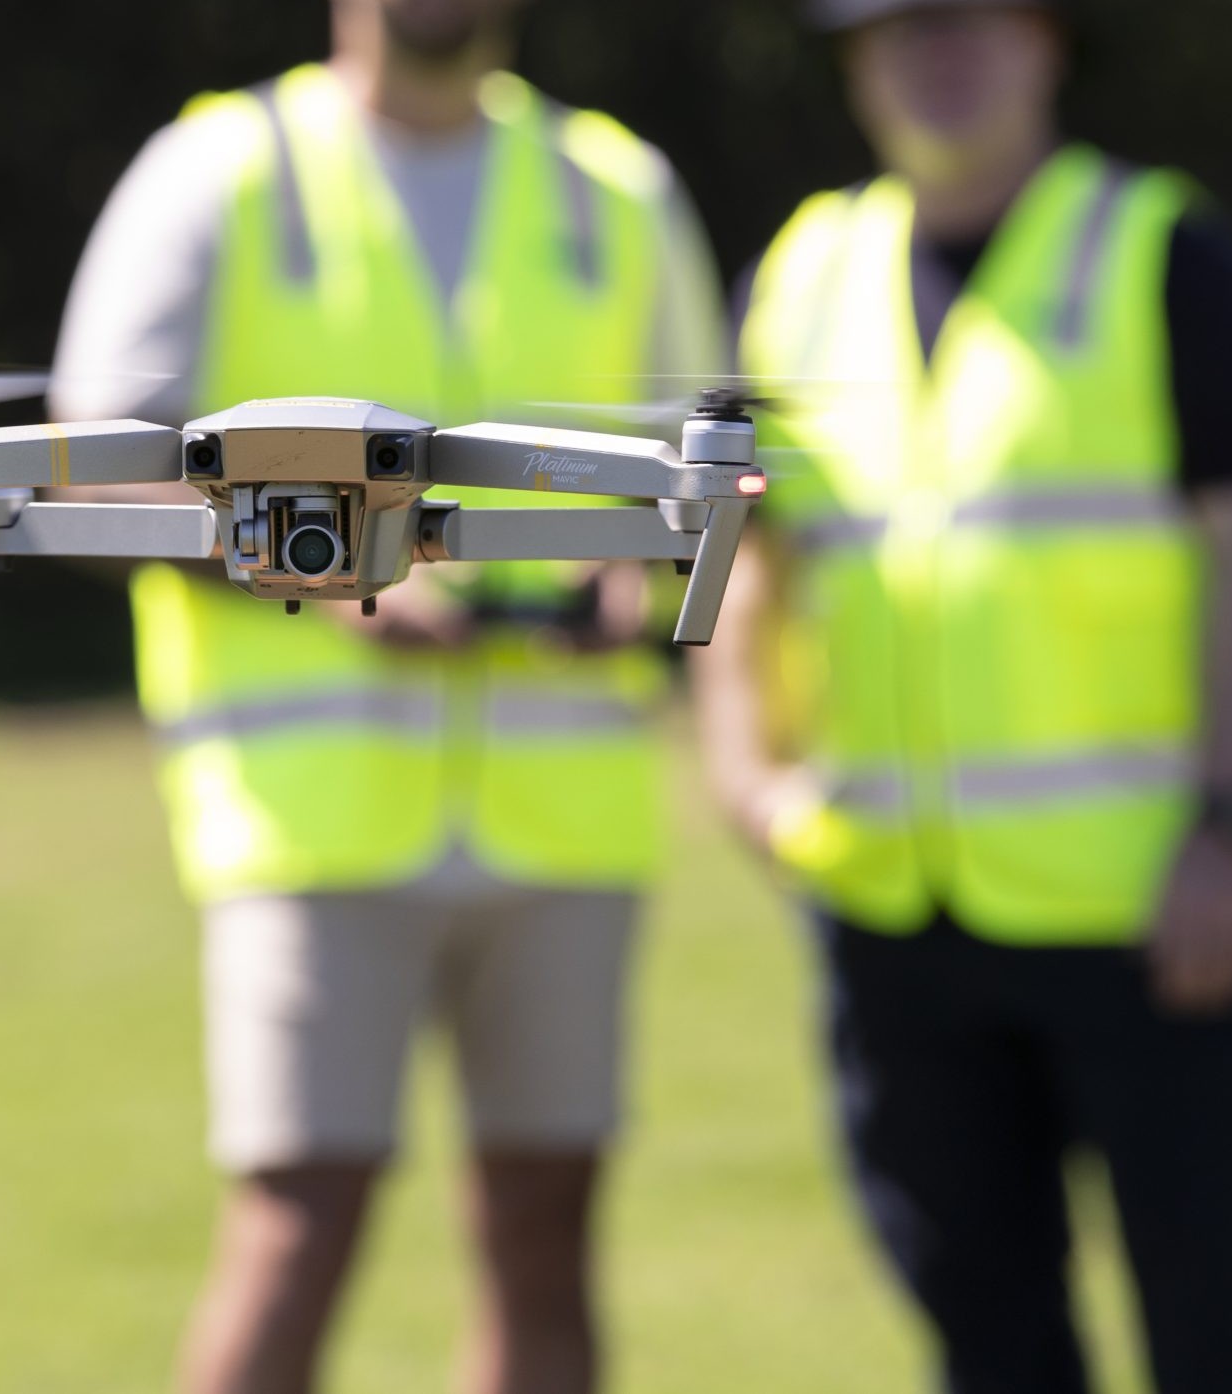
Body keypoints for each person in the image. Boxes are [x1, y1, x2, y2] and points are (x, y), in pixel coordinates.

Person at [49, 1, 729, 1389]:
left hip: (563, 816)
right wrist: (323, 573)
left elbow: (708, 473)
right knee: (296, 1226)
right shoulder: (221, 170)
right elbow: (91, 469)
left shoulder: (616, 186)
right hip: (312, 824)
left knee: (546, 1241)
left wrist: (632, 580)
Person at [697, 1, 1232, 1390]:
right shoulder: (798, 276)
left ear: (1045, 39)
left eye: (969, 20)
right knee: (983, 1338)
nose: (937, 53)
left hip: (1142, 908)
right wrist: (742, 767)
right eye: (898, 29)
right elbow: (742, 550)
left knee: (1221, 1331)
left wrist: (1226, 824)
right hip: (891, 921)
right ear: (854, 61)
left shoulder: (1163, 254)